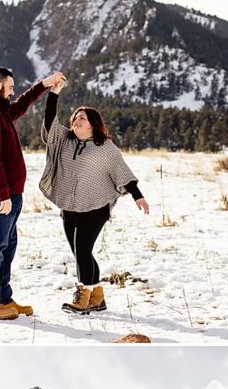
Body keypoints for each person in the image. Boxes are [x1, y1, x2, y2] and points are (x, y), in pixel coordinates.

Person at [0, 62, 67, 322]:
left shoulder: (0, 112)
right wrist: (2, 194)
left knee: (7, 246)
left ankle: (3, 297)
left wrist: (45, 85)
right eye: (10, 87)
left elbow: (22, 104)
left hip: (10, 194)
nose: (13, 92)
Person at [41, 95, 150, 313]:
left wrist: (138, 195)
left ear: (93, 124)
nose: (76, 121)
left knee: (82, 251)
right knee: (82, 253)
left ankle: (83, 297)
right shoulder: (64, 139)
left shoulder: (105, 147)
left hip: (96, 207)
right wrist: (53, 94)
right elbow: (50, 121)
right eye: (74, 118)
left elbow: (122, 171)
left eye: (82, 118)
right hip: (70, 206)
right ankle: (97, 297)